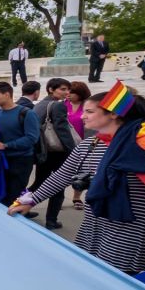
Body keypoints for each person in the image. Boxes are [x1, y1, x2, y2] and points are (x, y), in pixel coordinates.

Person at [10, 88, 145, 275]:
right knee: (99, 275)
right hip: (99, 224)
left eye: (89, 111)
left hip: (138, 229)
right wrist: (30, 200)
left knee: (131, 281)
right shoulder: (90, 145)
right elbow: (62, 176)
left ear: (112, 114)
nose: (82, 116)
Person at [32, 78, 77, 230]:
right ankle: (51, 220)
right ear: (51, 89)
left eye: (67, 90)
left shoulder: (39, 105)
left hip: (44, 151)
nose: (66, 92)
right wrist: (73, 152)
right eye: (63, 89)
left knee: (38, 183)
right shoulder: (58, 105)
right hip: (58, 152)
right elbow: (63, 131)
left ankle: (19, 204)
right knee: (59, 187)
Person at [0, 82, 40, 207]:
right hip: (2, 160)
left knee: (14, 196)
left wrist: (5, 145)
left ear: (7, 94)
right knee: (3, 194)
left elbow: (32, 138)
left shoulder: (26, 113)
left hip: (21, 160)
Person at [66, 81, 93, 209]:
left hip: (83, 142)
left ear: (81, 94)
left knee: (82, 170)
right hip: (66, 144)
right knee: (63, 171)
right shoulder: (63, 105)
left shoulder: (87, 106)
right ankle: (57, 197)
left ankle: (76, 197)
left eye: (72, 92)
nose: (68, 94)